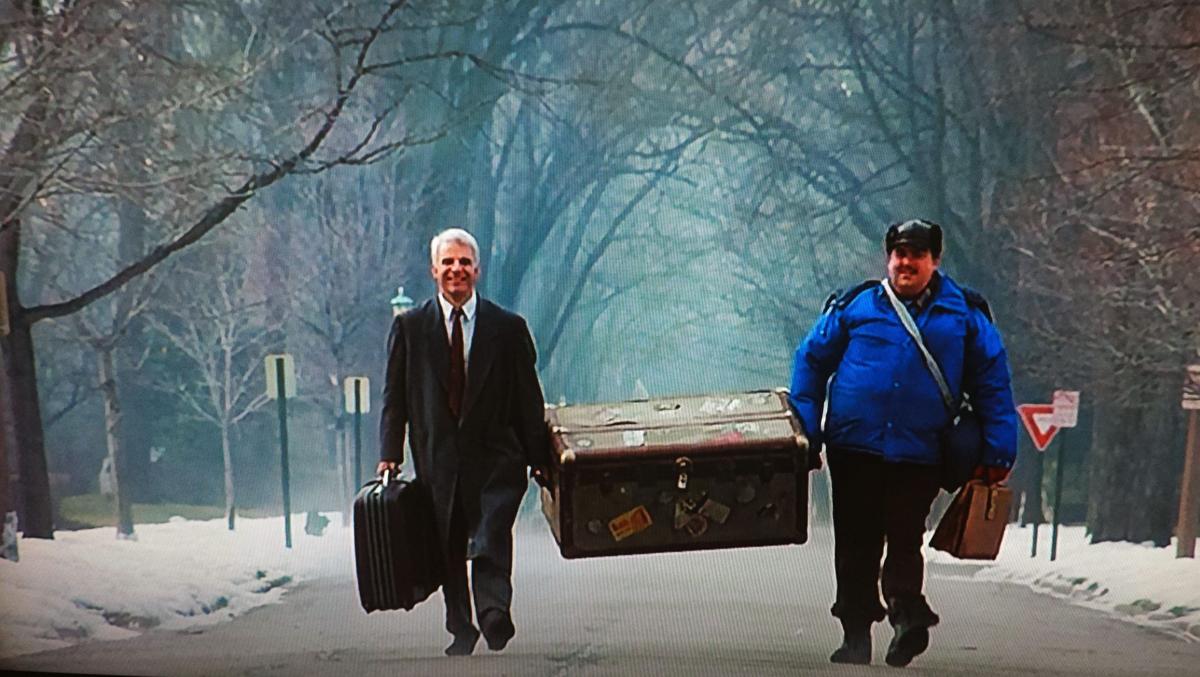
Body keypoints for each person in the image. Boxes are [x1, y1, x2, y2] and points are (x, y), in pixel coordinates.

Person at [788, 219, 1017, 667]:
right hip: (854, 446)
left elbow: (993, 384)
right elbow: (810, 361)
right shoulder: (856, 305)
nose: (905, 262)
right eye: (899, 253)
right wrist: (807, 431)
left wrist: (998, 450)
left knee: (905, 535)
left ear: (935, 260)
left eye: (916, 254)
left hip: (920, 450)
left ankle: (907, 616)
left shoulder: (964, 316)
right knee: (855, 541)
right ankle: (855, 632)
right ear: (888, 257)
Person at [377, 228, 549, 657]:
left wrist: (539, 456)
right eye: (448, 263)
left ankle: (493, 611)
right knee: (448, 544)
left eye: (465, 262)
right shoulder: (410, 328)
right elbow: (395, 397)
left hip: (498, 456)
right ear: (434, 271)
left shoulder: (507, 329)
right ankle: (460, 626)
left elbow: (528, 398)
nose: (457, 270)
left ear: (477, 270)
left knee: (492, 531)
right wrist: (389, 454)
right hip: (438, 457)